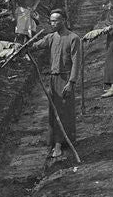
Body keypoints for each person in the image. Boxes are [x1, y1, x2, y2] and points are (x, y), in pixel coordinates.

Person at [28, 9, 80, 158]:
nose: (52, 23)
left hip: (65, 79)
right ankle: (53, 141)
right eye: (51, 21)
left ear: (63, 20)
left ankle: (59, 144)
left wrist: (71, 82)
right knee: (54, 111)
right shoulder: (51, 37)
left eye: (56, 20)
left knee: (64, 111)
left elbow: (76, 63)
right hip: (53, 78)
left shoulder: (73, 38)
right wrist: (24, 48)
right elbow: (36, 45)